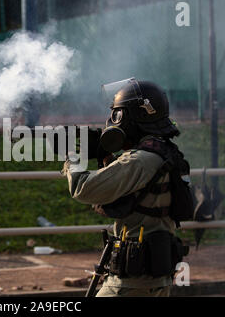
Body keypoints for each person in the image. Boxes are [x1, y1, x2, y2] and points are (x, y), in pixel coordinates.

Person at [61, 78, 192, 297]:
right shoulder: (164, 152)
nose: (113, 120)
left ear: (130, 116)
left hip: (131, 282)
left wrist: (71, 157)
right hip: (156, 277)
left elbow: (83, 188)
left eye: (117, 114)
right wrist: (106, 158)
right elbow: (140, 193)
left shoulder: (140, 160)